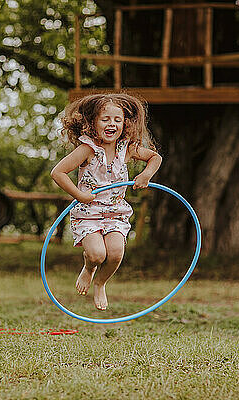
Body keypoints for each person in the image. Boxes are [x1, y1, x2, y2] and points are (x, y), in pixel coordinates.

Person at [50, 93, 162, 311]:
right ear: (93, 122)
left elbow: (155, 157)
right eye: (105, 119)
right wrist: (79, 195)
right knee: (97, 254)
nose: (112, 124)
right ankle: (89, 268)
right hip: (88, 212)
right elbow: (58, 172)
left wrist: (146, 175)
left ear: (125, 124)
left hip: (115, 213)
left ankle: (100, 283)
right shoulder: (88, 149)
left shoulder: (127, 148)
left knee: (116, 252)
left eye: (117, 120)